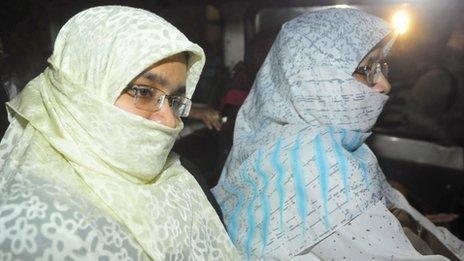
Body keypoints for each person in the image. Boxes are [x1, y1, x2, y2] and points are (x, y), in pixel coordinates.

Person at [212, 8, 464, 260]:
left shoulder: (277, 140)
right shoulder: (314, 158)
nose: (385, 85)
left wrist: (410, 223)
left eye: (381, 66)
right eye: (366, 69)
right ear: (316, 76)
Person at [0, 6, 238, 260]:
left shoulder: (182, 176)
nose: (170, 122)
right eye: (144, 92)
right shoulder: (32, 224)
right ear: (79, 88)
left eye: (176, 98)